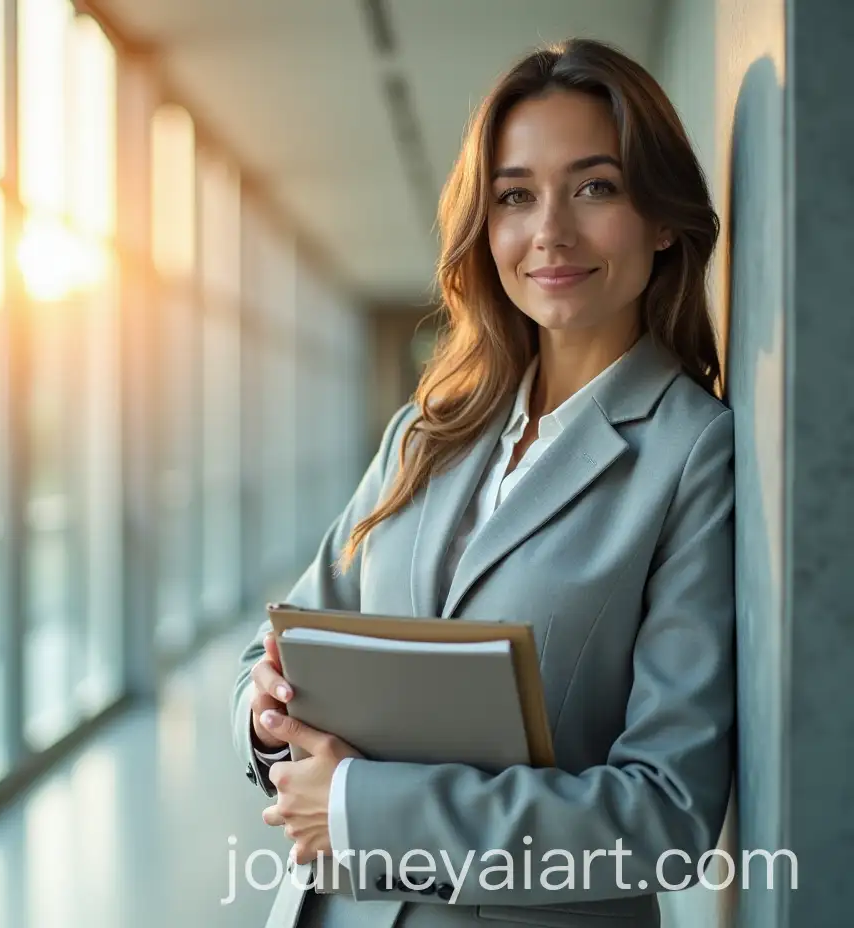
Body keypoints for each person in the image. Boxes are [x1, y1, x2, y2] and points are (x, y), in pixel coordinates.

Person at [231, 37, 736, 928]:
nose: (550, 232)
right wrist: (263, 709)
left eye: (595, 187)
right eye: (515, 196)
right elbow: (291, 634)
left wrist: (359, 810)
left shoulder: (693, 455)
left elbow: (667, 813)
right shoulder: (430, 429)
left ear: (662, 219)